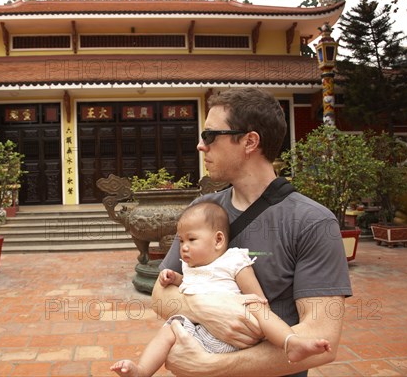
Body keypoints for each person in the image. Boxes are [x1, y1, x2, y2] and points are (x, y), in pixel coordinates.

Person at [152, 87, 352, 377]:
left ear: (249, 141)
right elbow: (159, 294)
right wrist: (202, 310)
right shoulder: (202, 211)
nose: (200, 145)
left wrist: (212, 367)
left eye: (209, 135)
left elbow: (322, 339)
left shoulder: (312, 223)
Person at [110, 202, 332, 377]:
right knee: (171, 327)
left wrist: (256, 307)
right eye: (181, 240)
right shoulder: (189, 267)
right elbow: (182, 285)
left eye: (191, 239)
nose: (184, 247)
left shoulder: (232, 260)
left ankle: (290, 343)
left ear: (218, 240)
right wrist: (173, 277)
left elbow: (256, 296)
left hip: (238, 333)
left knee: (258, 308)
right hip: (200, 336)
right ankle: (142, 370)